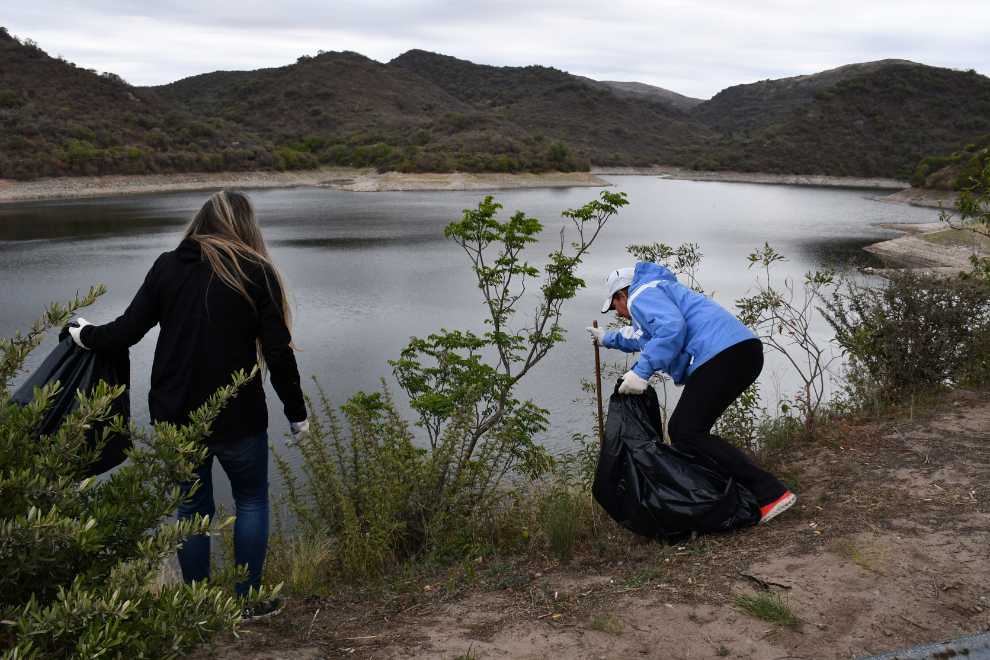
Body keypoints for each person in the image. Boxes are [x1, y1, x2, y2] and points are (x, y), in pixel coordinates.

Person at [68, 190, 309, 617]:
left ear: (201, 222)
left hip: (174, 414)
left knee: (191, 507)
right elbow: (278, 351)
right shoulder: (256, 270)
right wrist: (297, 413)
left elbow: (124, 332)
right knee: (252, 499)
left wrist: (85, 334)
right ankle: (248, 601)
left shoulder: (167, 267)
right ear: (244, 226)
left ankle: (196, 606)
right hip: (239, 416)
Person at [587, 263, 796, 524]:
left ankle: (770, 492)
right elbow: (641, 337)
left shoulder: (641, 295)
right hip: (741, 350)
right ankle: (738, 494)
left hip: (722, 354)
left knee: (686, 430)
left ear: (623, 295)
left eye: (614, 306)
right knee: (687, 430)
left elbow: (671, 328)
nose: (618, 313)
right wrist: (606, 339)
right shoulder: (656, 291)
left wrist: (642, 372)